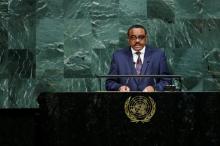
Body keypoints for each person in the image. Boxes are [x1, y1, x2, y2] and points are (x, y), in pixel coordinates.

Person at [105, 24, 171, 92]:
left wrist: (154, 88)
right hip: (125, 100)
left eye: (141, 37)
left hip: (152, 100)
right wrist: (119, 87)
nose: (137, 41)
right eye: (133, 37)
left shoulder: (158, 55)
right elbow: (109, 83)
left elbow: (166, 81)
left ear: (146, 38)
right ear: (128, 39)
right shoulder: (118, 56)